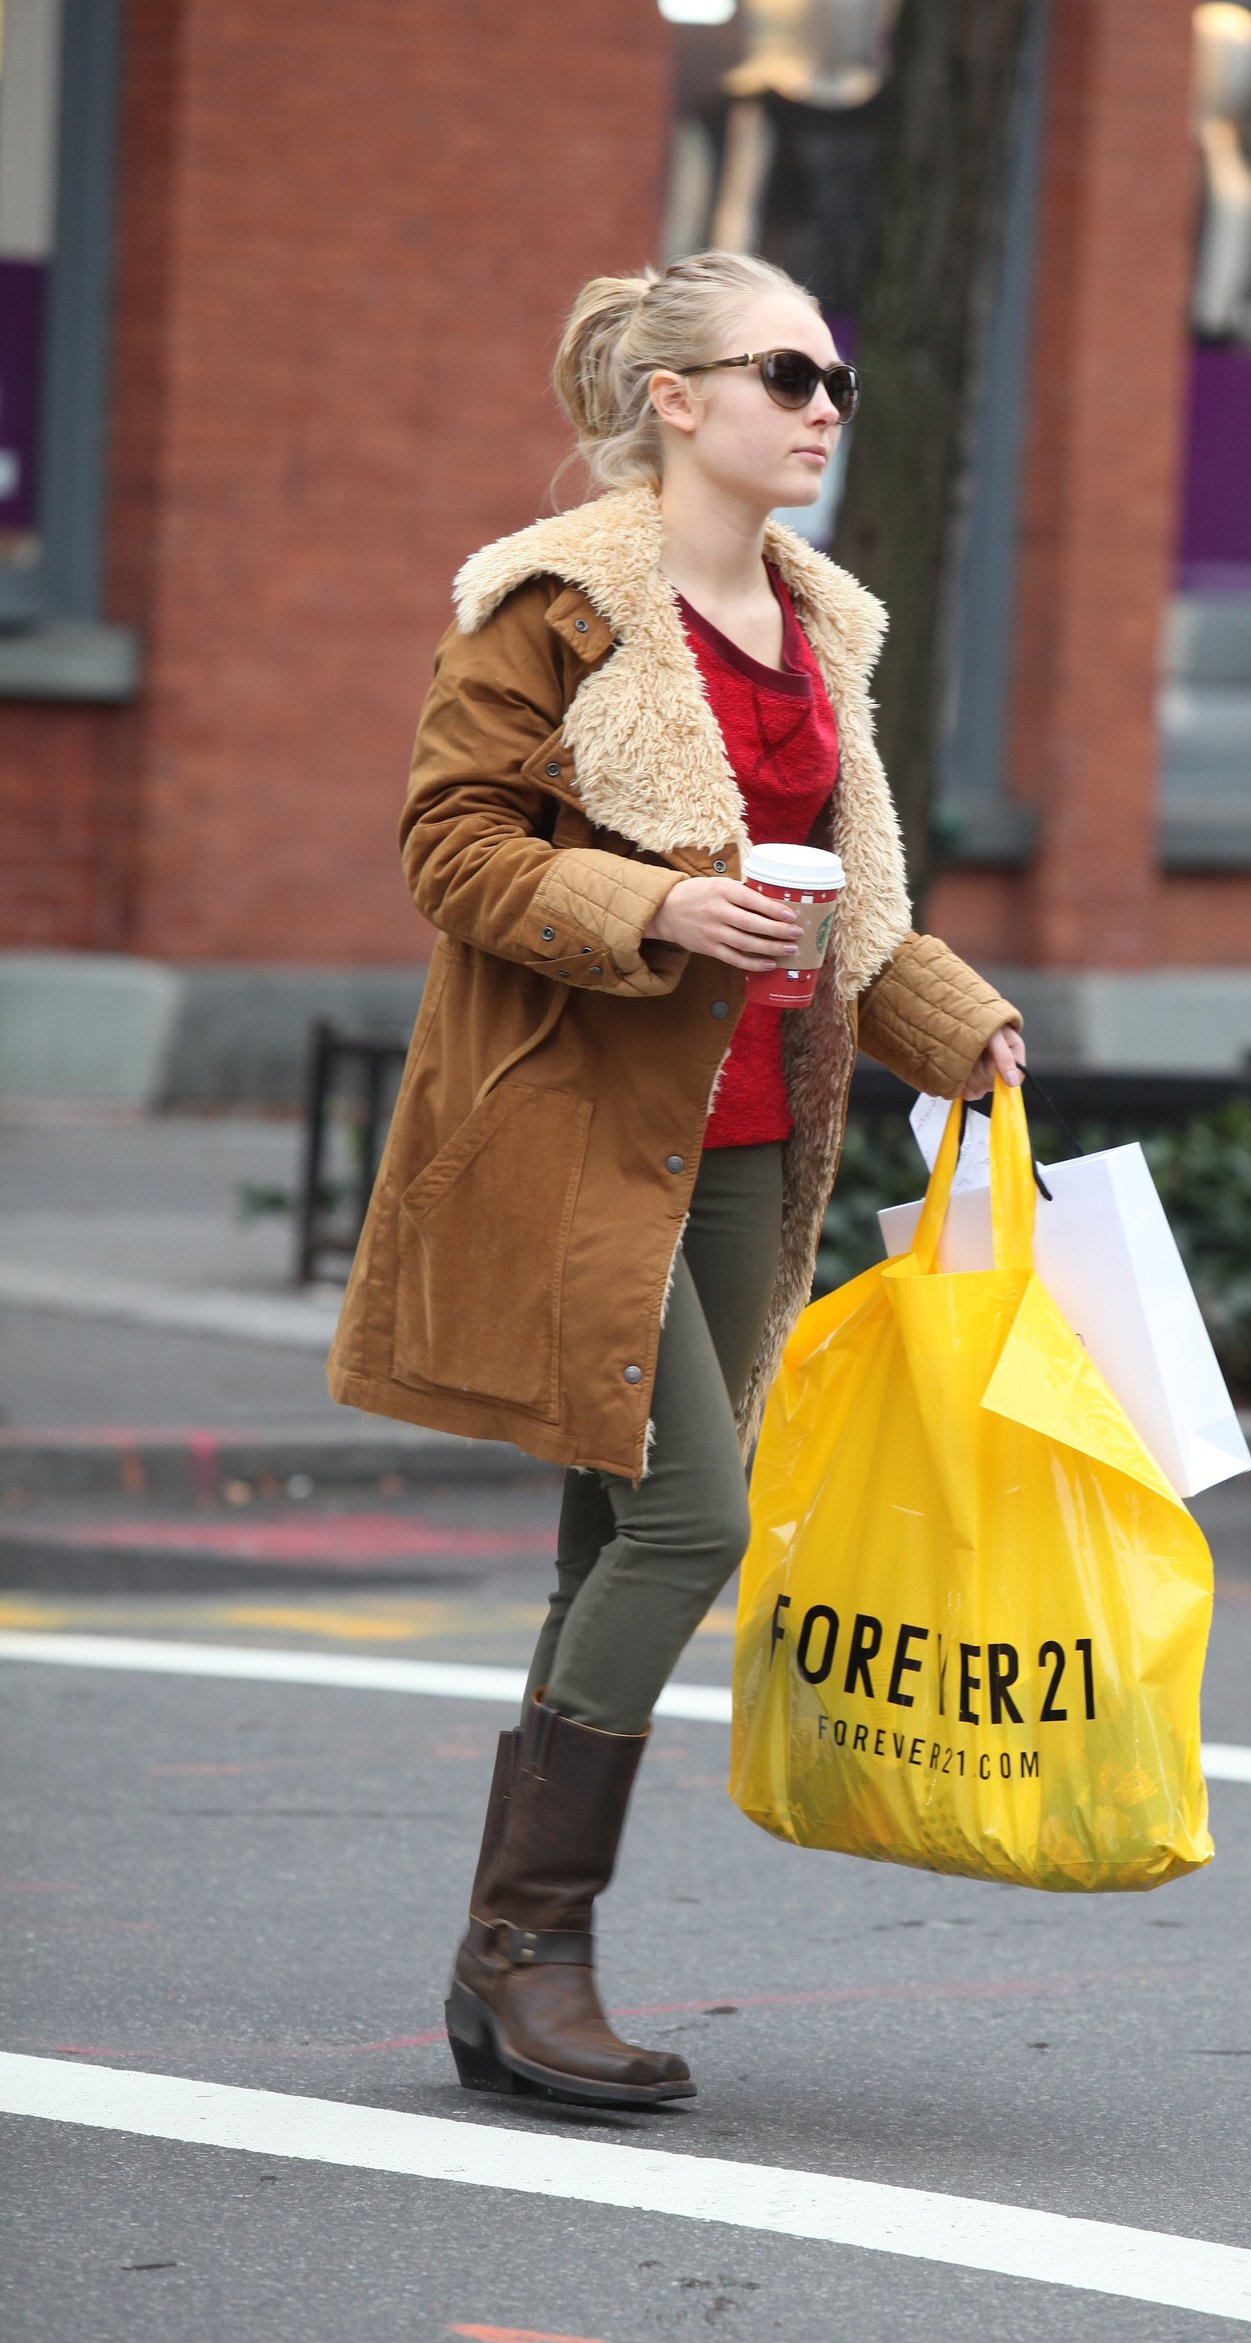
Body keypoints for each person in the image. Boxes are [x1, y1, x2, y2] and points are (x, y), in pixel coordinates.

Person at [327, 249, 1025, 2109]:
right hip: (572, 1133)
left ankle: (507, 1978)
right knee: (688, 1522)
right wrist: (654, 903)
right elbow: (447, 841)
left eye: (836, 379)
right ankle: (525, 1951)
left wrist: (964, 1033)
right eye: (783, 371)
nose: (819, 405)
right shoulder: (555, 605)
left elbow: (853, 904)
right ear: (675, 399)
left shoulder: (821, 619)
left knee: (605, 1535)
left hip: (737, 1152)